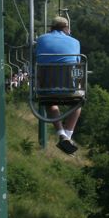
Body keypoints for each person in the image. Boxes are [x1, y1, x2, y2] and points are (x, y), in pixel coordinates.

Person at [34, 16, 82, 154]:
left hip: (46, 85)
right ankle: (68, 135)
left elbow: (35, 56)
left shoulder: (41, 39)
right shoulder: (75, 42)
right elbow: (77, 62)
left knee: (50, 102)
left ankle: (62, 134)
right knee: (77, 102)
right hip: (68, 85)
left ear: (51, 28)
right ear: (66, 28)